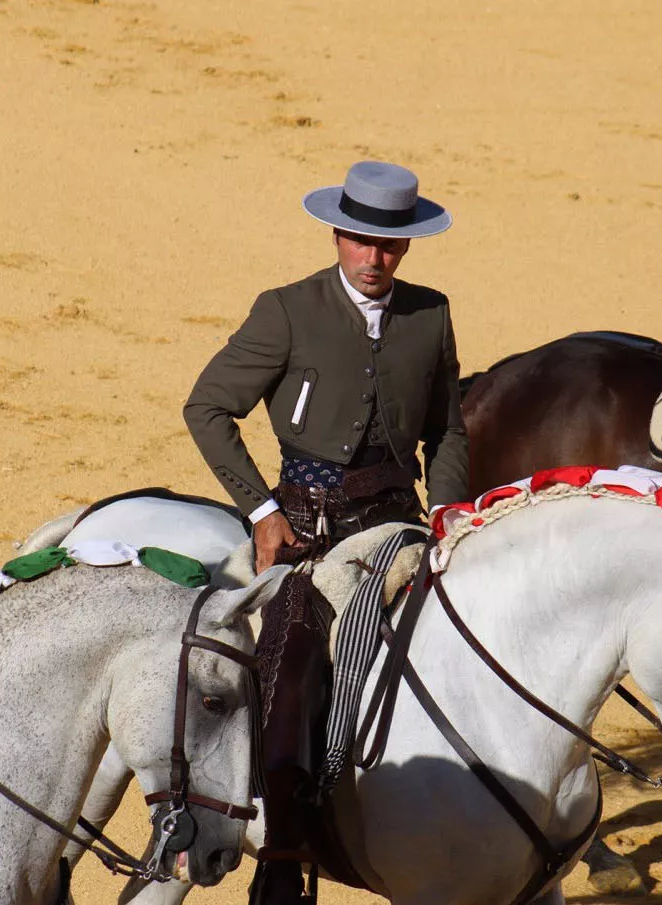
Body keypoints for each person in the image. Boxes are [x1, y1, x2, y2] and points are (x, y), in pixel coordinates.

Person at [183, 160, 468, 904]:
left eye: (391, 245)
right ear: (338, 235)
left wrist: (448, 511)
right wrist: (261, 512)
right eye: (362, 241)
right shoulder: (286, 310)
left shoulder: (430, 315)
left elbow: (446, 431)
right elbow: (207, 408)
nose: (376, 258)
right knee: (291, 657)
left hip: (398, 523)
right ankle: (282, 848)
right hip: (306, 531)